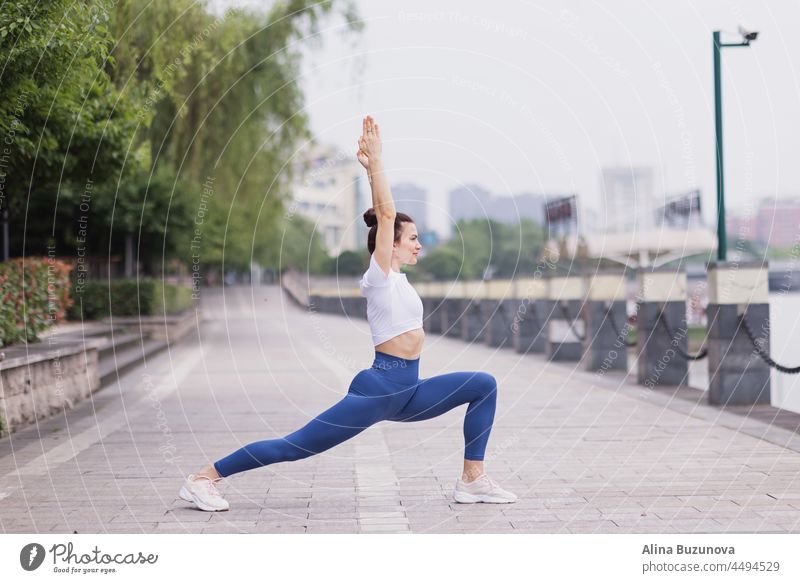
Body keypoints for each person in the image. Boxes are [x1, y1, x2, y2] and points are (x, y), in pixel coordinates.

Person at [179, 115, 517, 512]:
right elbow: (386, 215)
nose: (419, 245)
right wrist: (375, 164)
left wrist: (373, 175)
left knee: (483, 385)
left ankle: (473, 480)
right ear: (389, 245)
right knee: (296, 447)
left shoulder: (401, 282)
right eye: (413, 239)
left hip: (407, 392)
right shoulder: (379, 278)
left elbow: (384, 216)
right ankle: (203, 478)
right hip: (380, 391)